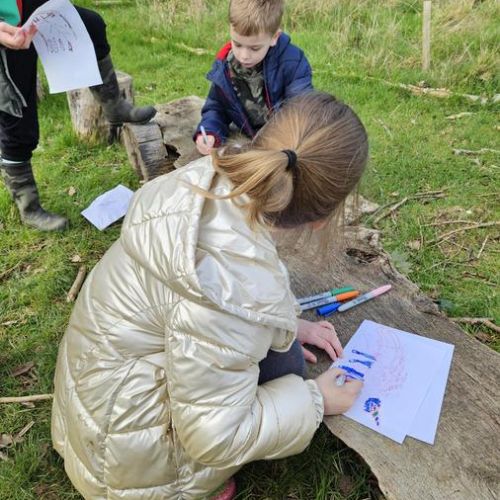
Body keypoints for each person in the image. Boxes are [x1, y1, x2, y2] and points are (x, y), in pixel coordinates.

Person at [51, 91, 368, 499]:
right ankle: (180, 485)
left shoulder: (205, 181)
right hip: (121, 465)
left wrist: (291, 319)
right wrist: (316, 400)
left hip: (95, 407)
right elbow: (216, 438)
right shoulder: (229, 290)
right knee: (287, 372)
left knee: (279, 351)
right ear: (324, 219)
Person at [0, 1, 156, 232]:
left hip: (30, 10)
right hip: (6, 32)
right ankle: (29, 208)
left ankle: (113, 105)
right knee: (18, 121)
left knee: (90, 25)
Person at [194, 0, 313, 155]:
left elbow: (302, 109)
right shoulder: (225, 67)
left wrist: (278, 144)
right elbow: (216, 107)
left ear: (274, 37)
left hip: (285, 143)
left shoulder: (293, 63)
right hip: (249, 140)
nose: (244, 56)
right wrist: (210, 133)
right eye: (237, 44)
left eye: (254, 48)